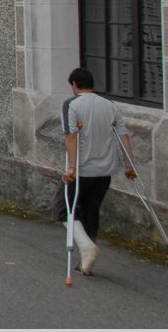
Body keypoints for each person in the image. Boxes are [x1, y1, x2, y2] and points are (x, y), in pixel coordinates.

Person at [61, 66, 136, 276]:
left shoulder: (71, 104)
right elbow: (123, 135)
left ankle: (87, 248)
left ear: (74, 85)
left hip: (82, 169)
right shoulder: (109, 105)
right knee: (91, 210)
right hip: (105, 170)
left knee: (63, 209)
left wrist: (71, 168)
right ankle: (87, 262)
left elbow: (71, 136)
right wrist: (130, 166)